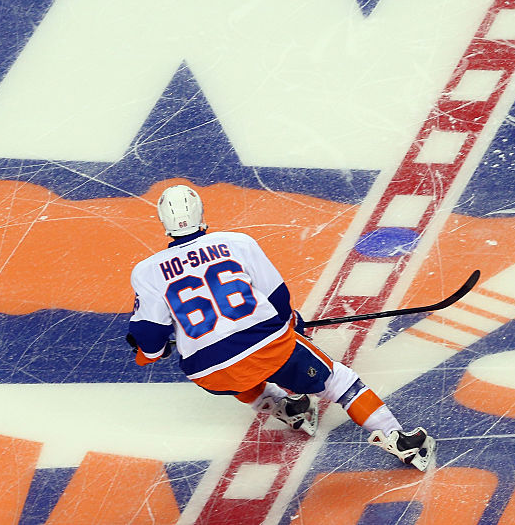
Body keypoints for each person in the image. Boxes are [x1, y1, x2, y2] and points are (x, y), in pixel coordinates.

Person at [125, 184, 436, 471]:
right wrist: (292, 324)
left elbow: (149, 338)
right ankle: (396, 436)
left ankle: (287, 409)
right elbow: (277, 297)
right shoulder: (237, 243)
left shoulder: (146, 271)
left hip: (209, 372)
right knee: (340, 381)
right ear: (201, 214)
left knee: (233, 368)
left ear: (162, 220)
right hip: (267, 347)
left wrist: (153, 351)